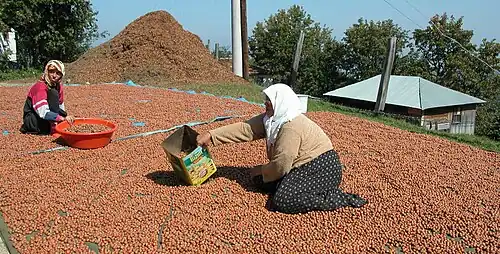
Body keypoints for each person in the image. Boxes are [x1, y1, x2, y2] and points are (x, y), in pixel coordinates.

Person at [197, 83, 367, 214]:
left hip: (322, 167)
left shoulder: (290, 126)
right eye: (266, 99)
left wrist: (261, 169)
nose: (266, 103)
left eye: (270, 100)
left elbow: (282, 164)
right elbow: (246, 129)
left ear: (281, 102)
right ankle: (292, 186)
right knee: (259, 182)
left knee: (283, 201)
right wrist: (211, 136)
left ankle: (336, 197)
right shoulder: (271, 119)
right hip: (299, 166)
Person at [20, 60, 75, 135]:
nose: (54, 75)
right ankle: (52, 127)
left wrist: (65, 118)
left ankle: (53, 125)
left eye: (58, 73)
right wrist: (61, 119)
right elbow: (42, 112)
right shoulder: (40, 87)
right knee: (53, 93)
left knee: (54, 93)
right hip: (33, 120)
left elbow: (60, 106)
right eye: (51, 71)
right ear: (47, 72)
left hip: (47, 118)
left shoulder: (58, 86)